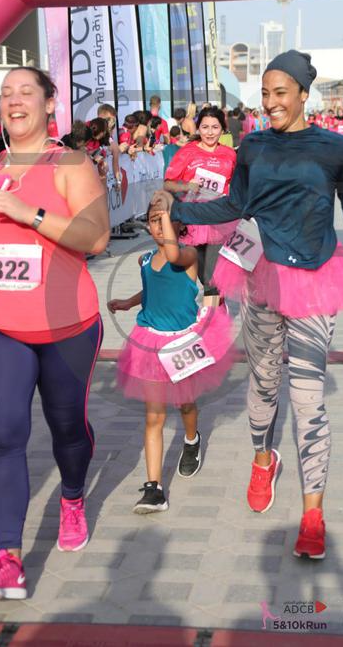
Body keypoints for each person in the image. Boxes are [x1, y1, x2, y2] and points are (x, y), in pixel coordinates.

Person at [166, 49, 343, 560]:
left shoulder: (336, 147)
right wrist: (178, 209)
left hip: (316, 280)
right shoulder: (252, 146)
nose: (271, 101)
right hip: (261, 276)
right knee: (263, 383)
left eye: (281, 92)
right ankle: (263, 458)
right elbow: (235, 204)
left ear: (302, 93)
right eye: (265, 93)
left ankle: (313, 513)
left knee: (308, 398)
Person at [0, 67, 110, 600]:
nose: (14, 101)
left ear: (49, 104)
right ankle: (8, 560)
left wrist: (29, 213)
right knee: (4, 433)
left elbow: (96, 237)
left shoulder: (70, 164)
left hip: (67, 325)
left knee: (67, 428)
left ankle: (72, 496)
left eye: (26, 92)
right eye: (5, 93)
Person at [107, 197, 233, 513]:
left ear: (180, 224)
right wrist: (129, 302)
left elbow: (173, 255)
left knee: (185, 403)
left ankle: (191, 440)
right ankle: (155, 489)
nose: (159, 226)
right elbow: (153, 288)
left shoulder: (187, 256)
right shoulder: (146, 260)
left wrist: (167, 213)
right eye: (153, 220)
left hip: (182, 344)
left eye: (165, 219)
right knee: (154, 416)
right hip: (149, 342)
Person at [163, 107, 237, 306]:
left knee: (212, 278)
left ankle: (213, 317)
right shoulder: (187, 152)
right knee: (189, 277)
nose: (210, 132)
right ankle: (190, 317)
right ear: (198, 128)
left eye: (215, 127)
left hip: (219, 221)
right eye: (205, 127)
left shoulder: (230, 154)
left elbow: (237, 186)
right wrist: (187, 186)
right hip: (191, 221)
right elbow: (168, 183)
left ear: (223, 129)